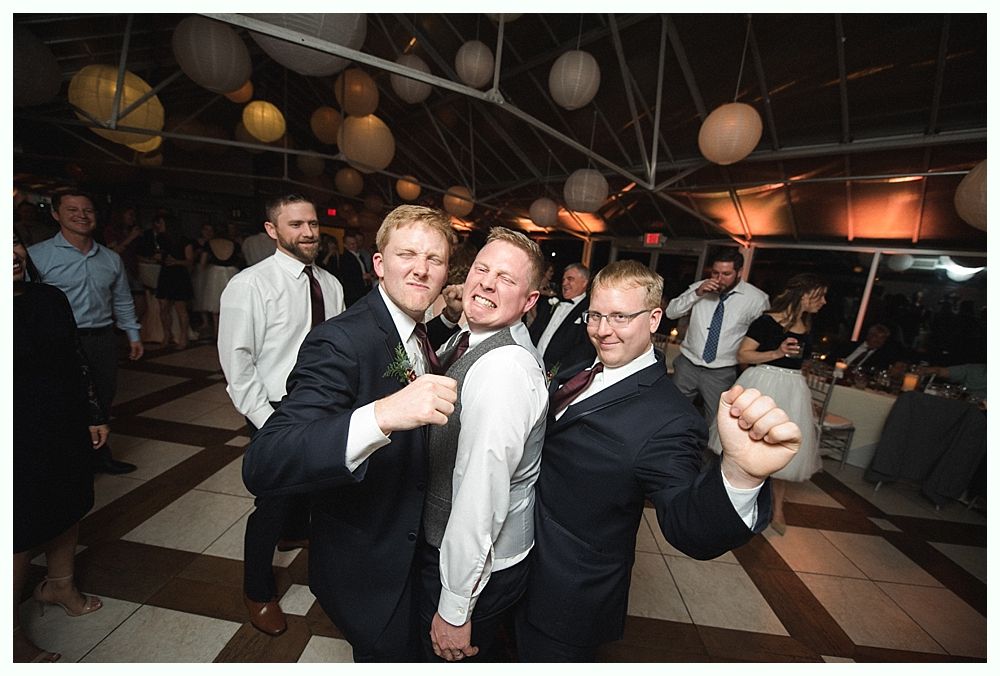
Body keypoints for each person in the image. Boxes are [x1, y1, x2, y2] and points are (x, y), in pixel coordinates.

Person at [515, 260, 800, 661]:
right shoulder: (581, 368)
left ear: (653, 319)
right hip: (519, 567)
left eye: (620, 316)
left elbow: (688, 526)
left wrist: (740, 474)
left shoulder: (671, 418)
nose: (602, 329)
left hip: (570, 595)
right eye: (595, 315)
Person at [242, 204, 461, 661]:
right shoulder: (341, 339)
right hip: (367, 565)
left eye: (434, 259)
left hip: (402, 545)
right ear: (379, 264)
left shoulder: (412, 327)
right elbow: (265, 460)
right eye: (407, 255)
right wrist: (381, 415)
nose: (421, 269)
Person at [218, 194, 345, 637]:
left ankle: (296, 531)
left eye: (312, 223)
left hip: (323, 406)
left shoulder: (330, 284)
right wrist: (268, 422)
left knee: (319, 491)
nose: (308, 232)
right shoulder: (249, 285)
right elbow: (238, 364)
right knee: (271, 503)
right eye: (296, 225)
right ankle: (257, 590)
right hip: (275, 409)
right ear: (272, 230)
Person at [420, 228, 547, 663]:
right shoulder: (469, 338)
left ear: (529, 300)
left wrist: (455, 607)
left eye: (506, 279)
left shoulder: (504, 370)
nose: (487, 283)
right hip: (459, 553)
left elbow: (481, 491)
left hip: (475, 569)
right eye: (482, 269)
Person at [14, 234, 107, 663]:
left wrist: (93, 412)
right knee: (19, 526)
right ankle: (9, 631)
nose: (13, 254)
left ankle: (60, 586)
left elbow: (76, 357)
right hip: (16, 430)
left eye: (15, 243)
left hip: (61, 421)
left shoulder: (49, 298)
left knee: (69, 503)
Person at [29, 188, 143, 475]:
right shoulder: (38, 256)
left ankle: (100, 456)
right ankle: (69, 460)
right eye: (72, 210)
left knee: (103, 397)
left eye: (87, 210)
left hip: (102, 338)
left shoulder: (110, 258)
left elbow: (121, 299)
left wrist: (132, 334)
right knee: (64, 400)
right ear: (56, 214)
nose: (81, 215)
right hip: (60, 341)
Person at [707, 273, 828, 535]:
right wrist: (778, 352)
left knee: (783, 447)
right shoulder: (766, 322)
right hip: (763, 382)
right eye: (820, 296)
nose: (824, 302)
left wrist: (806, 397)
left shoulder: (807, 326)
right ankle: (723, 499)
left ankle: (777, 508)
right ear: (804, 295)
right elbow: (743, 355)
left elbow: (802, 363)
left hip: (793, 388)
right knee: (746, 441)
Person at [665, 248, 769, 424]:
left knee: (717, 421)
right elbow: (671, 312)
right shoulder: (698, 288)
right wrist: (697, 294)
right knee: (671, 412)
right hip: (687, 364)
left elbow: (761, 336)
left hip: (722, 371)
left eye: (726, 274)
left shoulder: (757, 299)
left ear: (739, 272)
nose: (719, 279)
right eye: (715, 273)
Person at [528, 263, 596, 374]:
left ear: (585, 282)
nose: (564, 283)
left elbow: (584, 349)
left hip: (559, 374)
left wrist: (558, 372)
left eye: (570, 279)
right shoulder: (551, 302)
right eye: (563, 279)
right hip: (531, 366)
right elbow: (534, 330)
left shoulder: (590, 310)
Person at [149, 213, 195, 349]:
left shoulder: (184, 241)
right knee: (163, 307)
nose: (158, 225)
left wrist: (177, 261)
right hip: (165, 273)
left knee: (181, 308)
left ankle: (183, 337)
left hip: (179, 274)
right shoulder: (160, 239)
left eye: (161, 223)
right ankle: (167, 335)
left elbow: (190, 261)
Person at [199, 225, 242, 340]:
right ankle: (231, 332)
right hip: (232, 272)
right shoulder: (235, 244)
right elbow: (240, 259)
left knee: (214, 305)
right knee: (232, 304)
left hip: (214, 273)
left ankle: (216, 332)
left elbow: (202, 262)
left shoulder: (209, 244)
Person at [833, 323, 908, 373]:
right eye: (875, 336)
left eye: (882, 338)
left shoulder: (881, 357)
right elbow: (832, 358)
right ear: (869, 335)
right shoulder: (849, 345)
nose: (878, 340)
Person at [337, 231, 372, 307]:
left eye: (355, 243)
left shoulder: (359, 256)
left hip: (363, 290)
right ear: (345, 245)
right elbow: (348, 276)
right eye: (352, 244)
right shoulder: (345, 258)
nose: (355, 245)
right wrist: (362, 277)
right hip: (353, 293)